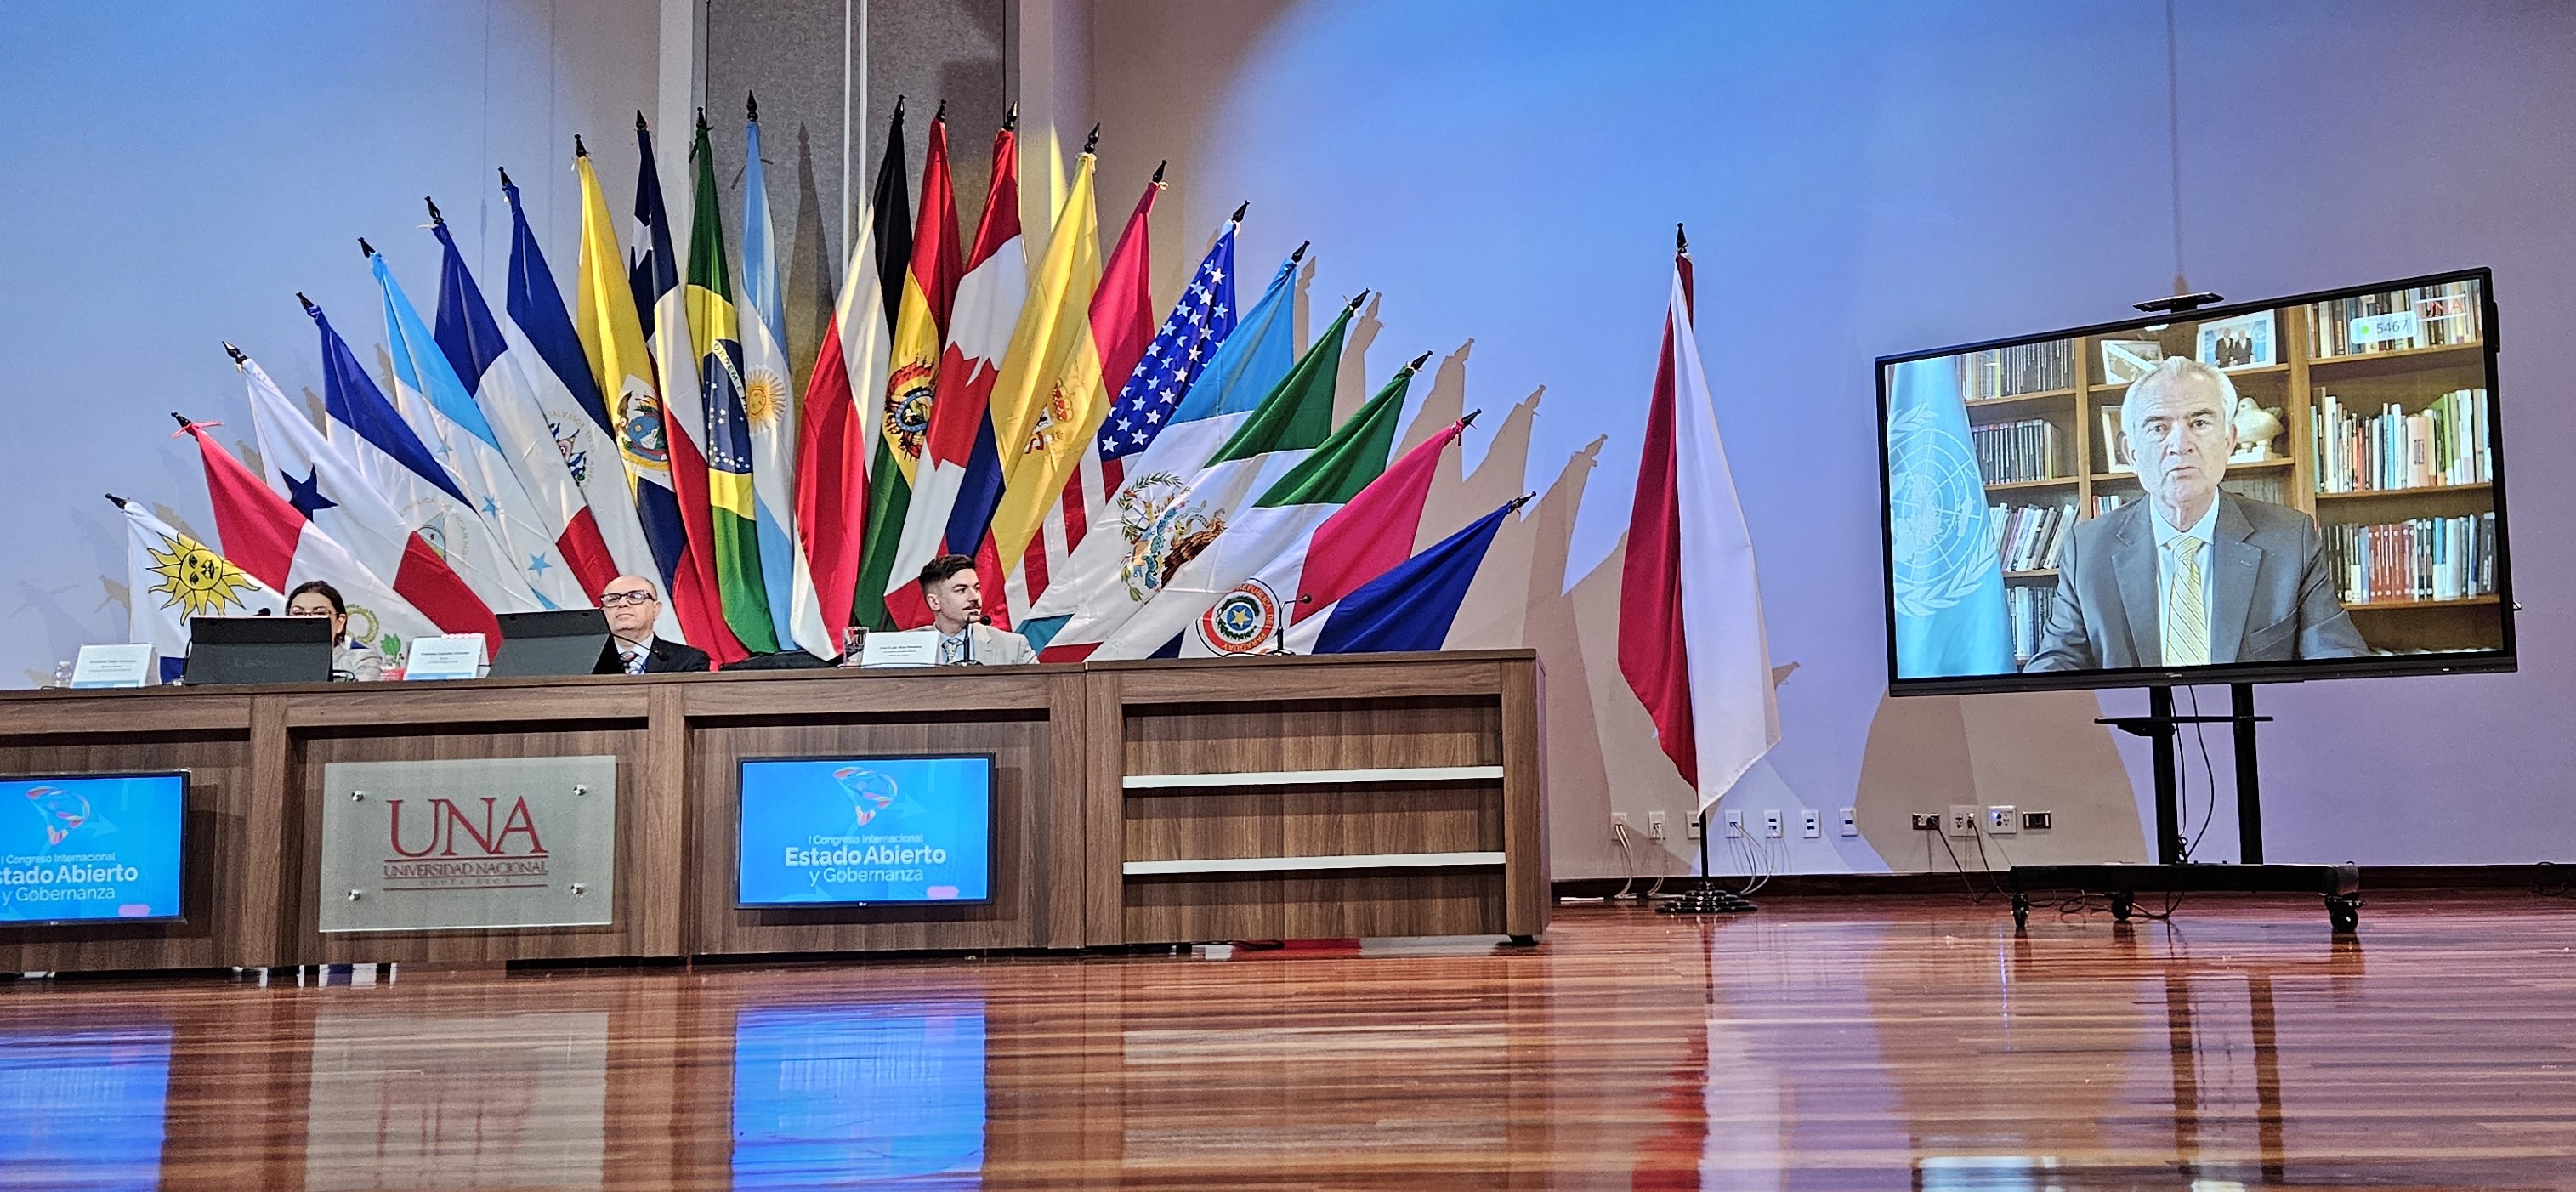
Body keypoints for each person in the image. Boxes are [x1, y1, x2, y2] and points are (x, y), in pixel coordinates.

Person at [2025, 357, 2366, 672]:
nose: (2180, 444)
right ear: (2130, 452)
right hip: (2133, 734)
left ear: (2229, 440)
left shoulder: (2291, 539)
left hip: (2251, 732)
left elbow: (2338, 662)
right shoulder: (2087, 549)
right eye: (2158, 428)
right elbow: (2058, 664)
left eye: (2199, 423)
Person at [919, 554, 1036, 666]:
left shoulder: (1013, 647)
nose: (974, 597)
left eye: (977, 588)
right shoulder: (904, 645)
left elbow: (1041, 686)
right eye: (961, 590)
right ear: (934, 602)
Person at [599, 576, 710, 673]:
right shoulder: (586, 663)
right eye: (612, 599)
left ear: (656, 609)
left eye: (635, 597)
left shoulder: (688, 660)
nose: (622, 604)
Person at [285, 581, 383, 681]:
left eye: (319, 613)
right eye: (298, 613)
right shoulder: (275, 662)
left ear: (340, 622)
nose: (307, 620)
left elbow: (362, 695)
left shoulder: (362, 660)